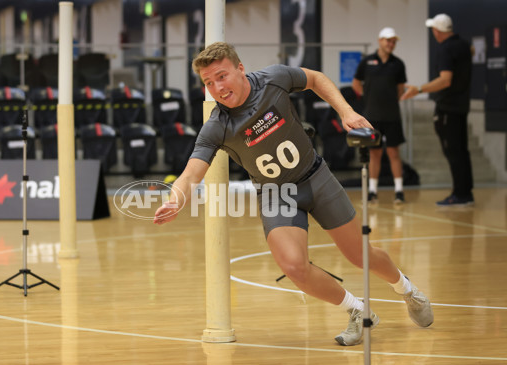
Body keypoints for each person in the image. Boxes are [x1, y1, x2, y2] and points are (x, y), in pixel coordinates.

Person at [154, 42, 433, 346]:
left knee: (359, 255)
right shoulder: (217, 126)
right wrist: (175, 200)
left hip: (316, 178)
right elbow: (191, 173)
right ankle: (357, 310)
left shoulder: (273, 79)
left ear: (240, 69)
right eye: (208, 83)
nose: (217, 88)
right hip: (279, 194)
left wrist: (347, 112)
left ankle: (407, 290)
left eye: (221, 76)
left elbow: (315, 79)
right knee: (293, 267)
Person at [401, 13, 474, 206]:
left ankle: (460, 194)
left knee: (453, 152)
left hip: (448, 108)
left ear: (438, 31)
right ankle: (466, 192)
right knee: (462, 151)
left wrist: (420, 89)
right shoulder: (464, 45)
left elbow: (445, 79)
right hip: (461, 106)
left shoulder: (445, 49)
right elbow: (471, 52)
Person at [352, 27, 407, 205]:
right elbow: (356, 84)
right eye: (388, 40)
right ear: (380, 40)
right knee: (374, 154)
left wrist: (390, 100)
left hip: (392, 117)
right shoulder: (366, 62)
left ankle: (399, 191)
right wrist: (368, 98)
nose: (391, 44)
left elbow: (400, 89)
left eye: (393, 42)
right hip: (371, 117)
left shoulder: (398, 64)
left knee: (393, 153)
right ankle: (372, 191)